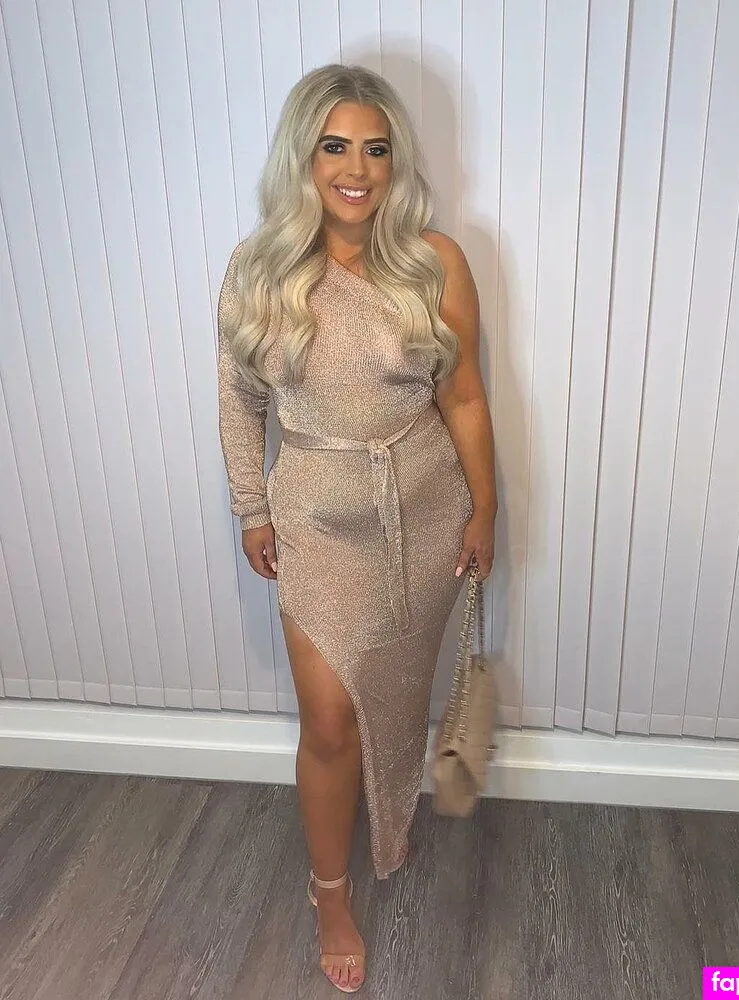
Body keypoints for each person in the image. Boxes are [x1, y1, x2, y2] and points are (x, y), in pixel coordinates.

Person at [216, 63, 496, 993]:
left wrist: (486, 508)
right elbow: (239, 400)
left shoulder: (433, 261)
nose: (357, 169)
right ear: (303, 157)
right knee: (329, 720)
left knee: (400, 688)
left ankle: (393, 816)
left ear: (395, 162)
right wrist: (251, 507)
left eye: (376, 149)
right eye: (335, 147)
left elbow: (463, 394)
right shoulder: (260, 269)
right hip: (316, 519)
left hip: (425, 509)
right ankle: (330, 895)